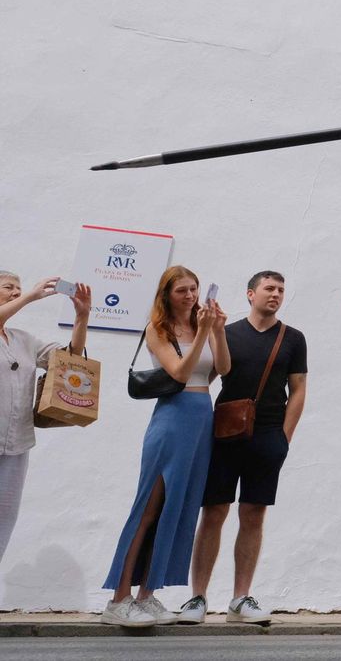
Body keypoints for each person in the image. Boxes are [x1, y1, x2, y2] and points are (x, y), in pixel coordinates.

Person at [102, 266, 232, 627]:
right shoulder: (157, 329)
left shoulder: (203, 327)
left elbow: (221, 368)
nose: (190, 296)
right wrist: (204, 330)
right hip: (172, 419)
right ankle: (118, 599)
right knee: (148, 508)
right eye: (181, 291)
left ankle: (147, 596)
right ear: (166, 296)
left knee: (178, 507)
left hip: (201, 417)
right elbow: (178, 372)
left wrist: (216, 332)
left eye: (194, 289)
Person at [181, 270, 307, 626]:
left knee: (253, 515)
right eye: (269, 288)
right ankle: (197, 598)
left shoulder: (293, 338)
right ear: (250, 294)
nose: (276, 294)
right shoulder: (228, 333)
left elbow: (298, 389)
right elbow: (207, 379)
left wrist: (285, 436)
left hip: (269, 435)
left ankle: (240, 598)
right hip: (224, 433)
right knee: (214, 513)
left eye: (281, 289)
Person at [0, 273, 91, 566]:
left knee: (4, 520)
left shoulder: (23, 340)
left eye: (18, 287)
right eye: (8, 287)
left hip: (16, 443)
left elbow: (71, 357)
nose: (16, 292)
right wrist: (30, 296)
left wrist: (82, 316)